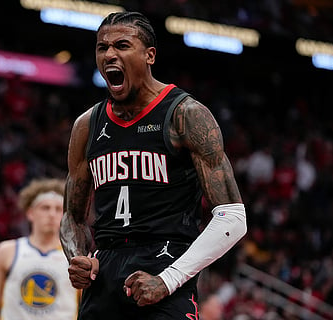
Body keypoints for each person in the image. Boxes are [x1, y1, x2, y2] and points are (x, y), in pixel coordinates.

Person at [60, 11, 247, 320]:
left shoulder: (185, 115)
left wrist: (168, 279)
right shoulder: (86, 125)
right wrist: (78, 257)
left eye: (122, 45)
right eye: (102, 47)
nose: (109, 54)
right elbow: (73, 217)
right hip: (104, 272)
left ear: (149, 55)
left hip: (165, 264)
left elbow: (233, 217)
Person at [0, 178, 79, 320]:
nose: (52, 214)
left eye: (58, 209)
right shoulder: (8, 251)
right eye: (45, 208)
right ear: (30, 213)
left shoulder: (77, 256)